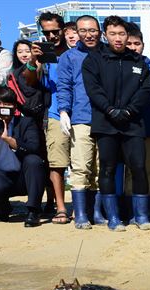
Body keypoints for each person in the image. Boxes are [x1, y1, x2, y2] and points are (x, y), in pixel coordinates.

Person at [82, 15, 150, 232]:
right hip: (106, 122)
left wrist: (130, 110)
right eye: (113, 34)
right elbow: (93, 89)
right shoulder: (94, 60)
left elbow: (146, 90)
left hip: (133, 123)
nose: (118, 38)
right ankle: (113, 218)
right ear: (105, 35)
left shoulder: (138, 61)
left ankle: (141, 216)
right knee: (107, 169)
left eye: (122, 33)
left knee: (139, 167)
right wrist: (110, 109)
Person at [0, 87, 46, 227]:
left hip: (23, 177)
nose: (2, 108)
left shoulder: (25, 122)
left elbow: (34, 147)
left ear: (14, 106)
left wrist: (9, 140)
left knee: (34, 161)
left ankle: (33, 211)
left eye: (7, 104)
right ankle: (3, 206)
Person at [57, 14, 103, 229]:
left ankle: (96, 211)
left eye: (92, 30)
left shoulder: (107, 52)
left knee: (101, 168)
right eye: (83, 31)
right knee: (81, 166)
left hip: (105, 118)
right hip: (81, 117)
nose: (88, 35)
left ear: (99, 31)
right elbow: (64, 86)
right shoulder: (69, 57)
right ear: (76, 32)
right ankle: (81, 213)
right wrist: (64, 111)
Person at [30, 11, 72, 225]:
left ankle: (87, 205)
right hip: (55, 113)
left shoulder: (75, 52)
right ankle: (61, 208)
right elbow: (32, 83)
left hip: (81, 113)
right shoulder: (44, 57)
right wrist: (34, 61)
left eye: (55, 31)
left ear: (63, 29)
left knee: (88, 164)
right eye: (47, 32)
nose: (51, 36)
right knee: (57, 163)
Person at [124, 23, 150, 224]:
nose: (133, 47)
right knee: (132, 171)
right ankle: (133, 212)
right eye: (129, 43)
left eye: (136, 43)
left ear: (143, 45)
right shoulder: (118, 65)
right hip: (128, 128)